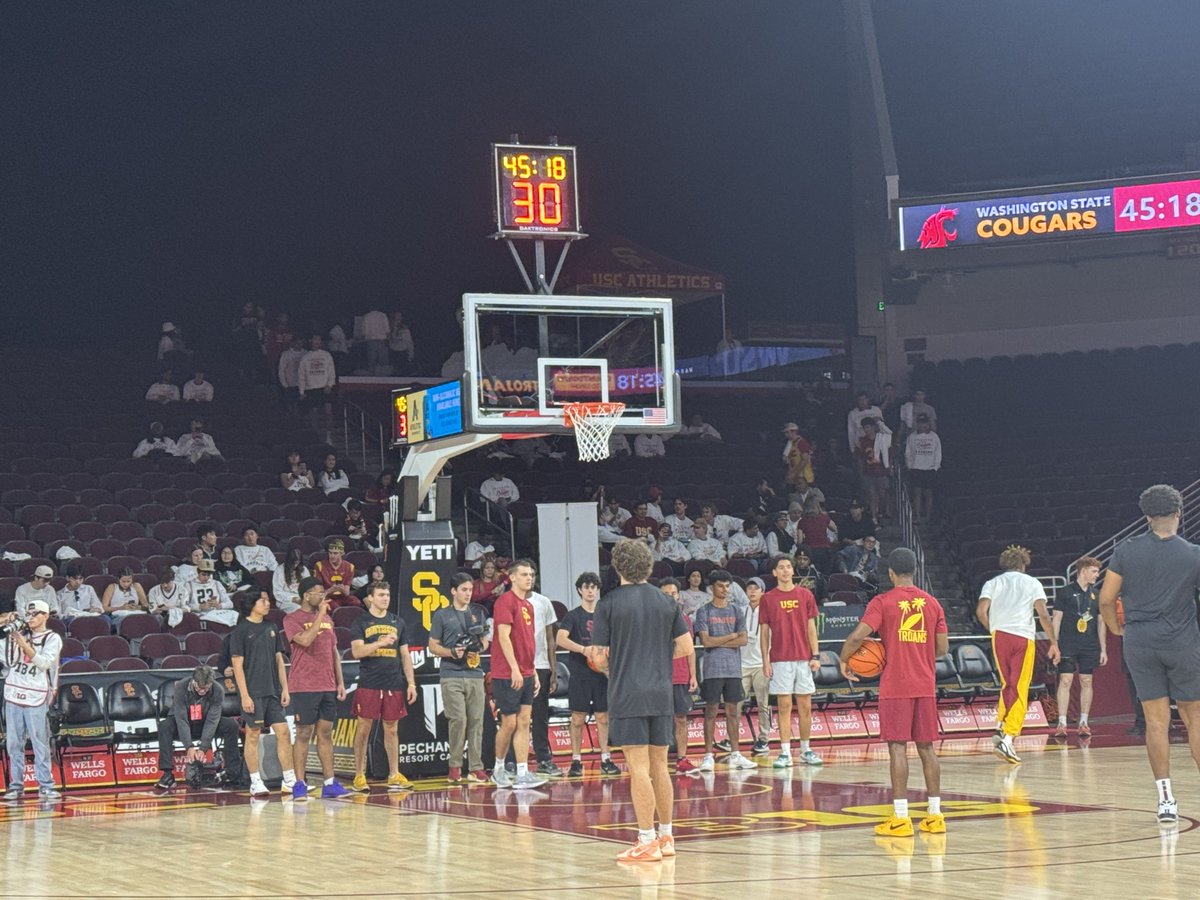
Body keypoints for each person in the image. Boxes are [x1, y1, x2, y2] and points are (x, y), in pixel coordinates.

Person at [1099, 484, 1200, 825]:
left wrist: (1116, 629)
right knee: (1195, 720)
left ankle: (1166, 800)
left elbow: (1105, 599)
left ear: (1146, 517)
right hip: (1183, 642)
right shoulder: (1193, 554)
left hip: (1140, 642)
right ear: (1178, 513)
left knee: (1155, 722)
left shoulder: (1126, 549)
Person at [588, 540, 693, 862]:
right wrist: (659, 660)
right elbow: (687, 646)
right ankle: (666, 836)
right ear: (648, 566)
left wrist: (611, 667)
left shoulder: (608, 604)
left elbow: (597, 656)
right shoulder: (667, 601)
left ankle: (646, 840)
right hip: (661, 692)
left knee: (639, 769)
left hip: (628, 693)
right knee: (661, 765)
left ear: (617, 566)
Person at [839, 548, 948, 837]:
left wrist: (843, 659)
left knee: (897, 748)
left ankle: (901, 818)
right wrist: (919, 652)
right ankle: (935, 816)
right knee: (927, 748)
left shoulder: (882, 601)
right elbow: (943, 649)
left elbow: (858, 636)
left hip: (896, 685)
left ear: (890, 573)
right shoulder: (933, 603)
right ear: (914, 570)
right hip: (925, 684)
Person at [976, 544, 1060, 765]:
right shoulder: (1032, 582)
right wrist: (1053, 642)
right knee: (1020, 686)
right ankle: (1009, 737)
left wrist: (993, 629)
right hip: (1022, 636)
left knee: (1007, 684)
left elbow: (981, 612)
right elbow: (1043, 614)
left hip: (1000, 635)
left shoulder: (992, 583)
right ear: (1024, 564)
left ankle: (1000, 726)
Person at [284, 577, 350, 800]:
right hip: (304, 685)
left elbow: (334, 653)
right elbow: (305, 640)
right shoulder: (291, 619)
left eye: (324, 593)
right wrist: (320, 615)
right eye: (318, 593)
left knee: (326, 734)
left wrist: (340, 682)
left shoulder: (329, 620)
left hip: (327, 684)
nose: (323, 597)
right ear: (306, 595)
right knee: (303, 733)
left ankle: (330, 782)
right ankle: (299, 784)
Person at [349, 582, 417, 792]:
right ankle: (359, 775)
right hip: (369, 682)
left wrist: (411, 683)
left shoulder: (398, 621)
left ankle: (394, 774)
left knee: (392, 729)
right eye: (381, 595)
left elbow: (405, 655)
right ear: (370, 598)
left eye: (387, 594)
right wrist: (379, 643)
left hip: (393, 682)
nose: (385, 598)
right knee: (363, 729)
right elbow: (357, 652)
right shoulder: (361, 622)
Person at [489, 559, 549, 789]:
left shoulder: (529, 606)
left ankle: (523, 772)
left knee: (525, 721)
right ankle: (499, 768)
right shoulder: (505, 601)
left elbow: (528, 642)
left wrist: (531, 670)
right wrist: (514, 668)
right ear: (512, 577)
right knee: (509, 722)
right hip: (506, 672)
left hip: (525, 670)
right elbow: (503, 637)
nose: (529, 578)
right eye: (524, 574)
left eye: (531, 574)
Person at [230, 591, 295, 799]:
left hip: (273, 692)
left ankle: (290, 780)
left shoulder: (271, 628)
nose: (268, 604)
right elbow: (237, 666)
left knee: (284, 732)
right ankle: (256, 781)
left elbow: (279, 660)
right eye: (263, 601)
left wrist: (285, 688)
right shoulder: (240, 631)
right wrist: (244, 696)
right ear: (252, 604)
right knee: (253, 735)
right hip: (253, 693)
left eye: (268, 601)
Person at [760, 555, 823, 767]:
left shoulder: (805, 595)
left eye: (788, 567)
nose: (786, 570)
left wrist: (815, 655)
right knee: (784, 706)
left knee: (805, 706)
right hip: (779, 659)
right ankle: (785, 752)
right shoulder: (767, 598)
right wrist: (765, 661)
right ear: (775, 573)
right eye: (781, 567)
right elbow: (764, 632)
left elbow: (811, 627)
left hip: (803, 659)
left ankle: (806, 749)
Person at [556, 572, 621, 777]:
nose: (590, 590)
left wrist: (609, 664)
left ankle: (606, 758)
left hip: (602, 674)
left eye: (593, 587)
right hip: (580, 673)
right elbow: (560, 639)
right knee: (577, 718)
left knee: (603, 717)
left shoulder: (605, 614)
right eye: (586, 587)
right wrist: (584, 650)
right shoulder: (573, 615)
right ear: (579, 590)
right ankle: (576, 760)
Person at [428, 572, 491, 784]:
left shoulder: (477, 614)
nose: (468, 593)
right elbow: (432, 646)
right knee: (458, 719)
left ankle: (475, 767)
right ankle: (454, 765)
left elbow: (485, 641)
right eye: (464, 589)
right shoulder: (442, 615)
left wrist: (478, 648)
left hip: (474, 672)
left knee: (476, 721)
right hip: (451, 673)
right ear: (453, 591)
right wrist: (452, 652)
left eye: (470, 590)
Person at [1, 599, 64, 801]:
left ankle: (46, 785)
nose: (32, 617)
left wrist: (24, 645)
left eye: (36, 613)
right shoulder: (17, 634)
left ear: (45, 615)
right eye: (30, 613)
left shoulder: (52, 638)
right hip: (13, 693)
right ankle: (16, 786)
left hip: (36, 694)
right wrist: (6, 629)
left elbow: (44, 663)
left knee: (40, 743)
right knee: (14, 743)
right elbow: (5, 660)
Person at [695, 571, 755, 772]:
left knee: (733, 713)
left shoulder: (737, 610)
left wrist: (721, 640)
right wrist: (730, 636)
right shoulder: (704, 611)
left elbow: (743, 640)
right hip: (712, 669)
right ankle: (708, 756)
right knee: (711, 712)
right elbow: (706, 642)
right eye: (721, 586)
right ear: (712, 587)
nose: (725, 589)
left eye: (728, 586)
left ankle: (736, 753)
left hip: (733, 669)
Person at [154, 664, 244, 792]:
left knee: (231, 725)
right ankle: (167, 774)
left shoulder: (217, 690)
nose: (202, 691)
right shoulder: (181, 687)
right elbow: (181, 719)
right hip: (184, 723)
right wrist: (189, 747)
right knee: (164, 726)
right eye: (199, 687)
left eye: (206, 688)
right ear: (193, 681)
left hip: (205, 722)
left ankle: (232, 773)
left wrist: (203, 747)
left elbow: (212, 721)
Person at [1053, 556, 1108, 739]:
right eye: (1094, 571)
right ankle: (1062, 723)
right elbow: (1057, 620)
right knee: (1066, 681)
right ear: (1083, 571)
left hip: (1089, 644)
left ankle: (1083, 722)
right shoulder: (1064, 592)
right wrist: (1054, 644)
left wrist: (1103, 649)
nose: (1097, 575)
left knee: (1086, 681)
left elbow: (1101, 623)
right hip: (1068, 643)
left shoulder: (1097, 594)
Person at [659, 578, 700, 774]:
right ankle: (657, 762)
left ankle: (682, 759)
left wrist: (693, 674)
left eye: (673, 593)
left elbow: (690, 649)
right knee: (658, 719)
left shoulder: (684, 620)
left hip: (681, 674)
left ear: (678, 595)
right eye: (666, 594)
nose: (670, 597)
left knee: (681, 718)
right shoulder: (652, 618)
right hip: (658, 677)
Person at [741, 577, 772, 756]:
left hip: (761, 663)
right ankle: (732, 739)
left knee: (763, 704)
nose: (752, 591)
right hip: (742, 663)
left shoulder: (769, 611)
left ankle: (764, 739)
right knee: (735, 703)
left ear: (763, 591)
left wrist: (770, 661)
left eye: (756, 588)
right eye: (749, 588)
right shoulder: (740, 610)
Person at [298, 333, 337, 438]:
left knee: (328, 412)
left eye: (318, 340)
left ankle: (329, 436)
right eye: (314, 339)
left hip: (324, 387)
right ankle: (315, 436)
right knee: (314, 413)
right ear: (310, 341)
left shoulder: (326, 355)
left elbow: (331, 372)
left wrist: (330, 385)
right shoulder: (305, 357)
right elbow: (301, 375)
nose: (316, 342)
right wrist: (301, 392)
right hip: (311, 388)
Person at [904, 413, 941, 523]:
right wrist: (910, 465)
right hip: (916, 468)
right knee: (917, 494)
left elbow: (938, 452)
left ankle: (928, 517)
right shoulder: (912, 437)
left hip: (929, 469)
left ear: (928, 424)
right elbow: (908, 452)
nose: (923, 426)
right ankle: (918, 517)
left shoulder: (934, 437)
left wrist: (935, 466)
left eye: (925, 423)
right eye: (920, 423)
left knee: (929, 493)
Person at [855, 418, 891, 522]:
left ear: (873, 427)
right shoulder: (862, 441)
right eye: (864, 427)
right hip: (868, 471)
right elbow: (859, 457)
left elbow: (889, 454)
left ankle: (881, 511)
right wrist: (861, 471)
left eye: (868, 427)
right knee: (872, 494)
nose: (866, 429)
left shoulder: (882, 439)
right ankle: (874, 517)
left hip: (881, 471)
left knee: (883, 494)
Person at [313, 539, 358, 609]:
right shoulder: (320, 566)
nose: (332, 556)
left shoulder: (350, 567)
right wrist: (331, 590)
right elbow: (319, 593)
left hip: (342, 597)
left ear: (342, 553)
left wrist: (342, 589)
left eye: (335, 553)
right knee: (335, 607)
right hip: (327, 596)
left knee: (356, 602)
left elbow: (347, 593)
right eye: (330, 553)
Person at [192, 560, 238, 627]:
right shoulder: (189, 585)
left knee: (235, 615)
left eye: (209, 575)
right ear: (198, 572)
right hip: (199, 616)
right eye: (203, 574)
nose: (206, 578)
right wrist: (199, 607)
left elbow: (230, 604)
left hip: (216, 613)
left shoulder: (217, 584)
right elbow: (184, 607)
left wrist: (219, 605)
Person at [272, 547, 308, 613]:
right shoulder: (279, 570)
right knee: (299, 608)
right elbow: (277, 592)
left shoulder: (303, 569)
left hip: (302, 598)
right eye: (293, 563)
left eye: (297, 562)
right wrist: (293, 599)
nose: (294, 565)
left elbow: (309, 587)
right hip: (285, 601)